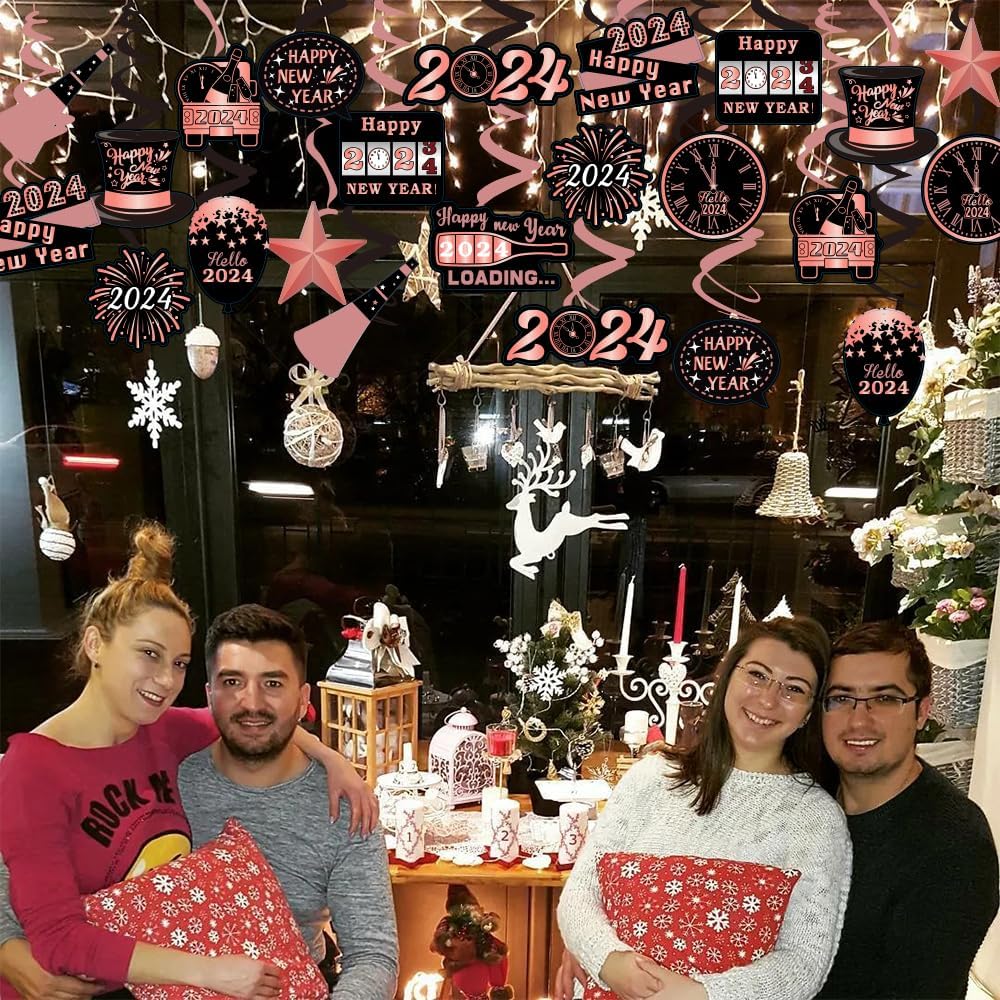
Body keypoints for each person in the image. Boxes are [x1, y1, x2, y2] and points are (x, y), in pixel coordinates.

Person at [0, 524, 378, 1000]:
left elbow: (252, 718)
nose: (165, 680)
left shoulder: (164, 729)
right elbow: (56, 937)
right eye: (149, 654)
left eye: (178, 663)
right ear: (95, 644)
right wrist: (211, 972)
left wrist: (331, 758)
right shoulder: (30, 767)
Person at [556, 616, 852, 1000]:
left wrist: (699, 994)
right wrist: (607, 959)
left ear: (810, 712)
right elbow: (580, 894)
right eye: (757, 675)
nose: (767, 699)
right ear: (727, 679)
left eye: (793, 689)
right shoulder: (651, 777)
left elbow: (803, 963)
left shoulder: (816, 820)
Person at [815, 620, 998, 1000]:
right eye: (842, 698)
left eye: (885, 699)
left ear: (922, 711)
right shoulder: (808, 798)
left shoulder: (953, 844)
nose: (858, 720)